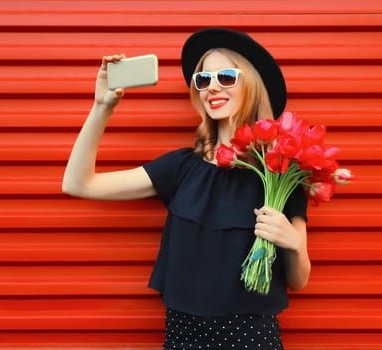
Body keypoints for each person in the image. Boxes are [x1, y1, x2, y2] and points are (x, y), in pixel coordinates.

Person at [62, 27, 310, 350]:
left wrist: (293, 243)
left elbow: (299, 280)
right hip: (184, 337)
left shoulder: (279, 174)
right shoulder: (181, 168)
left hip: (251, 339)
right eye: (203, 80)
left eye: (226, 76)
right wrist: (102, 107)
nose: (213, 87)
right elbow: (78, 183)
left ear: (251, 83)